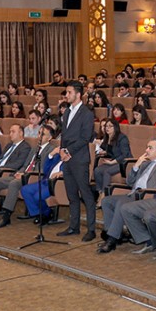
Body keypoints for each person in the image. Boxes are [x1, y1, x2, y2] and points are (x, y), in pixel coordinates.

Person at [56, 81, 97, 241]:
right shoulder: (66, 112)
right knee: (71, 194)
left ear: (78, 94)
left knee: (85, 194)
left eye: (69, 92)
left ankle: (91, 229)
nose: (66, 95)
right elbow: (64, 135)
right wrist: (61, 149)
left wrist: (68, 151)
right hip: (66, 158)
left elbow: (85, 137)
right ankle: (74, 227)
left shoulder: (87, 113)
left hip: (79, 158)